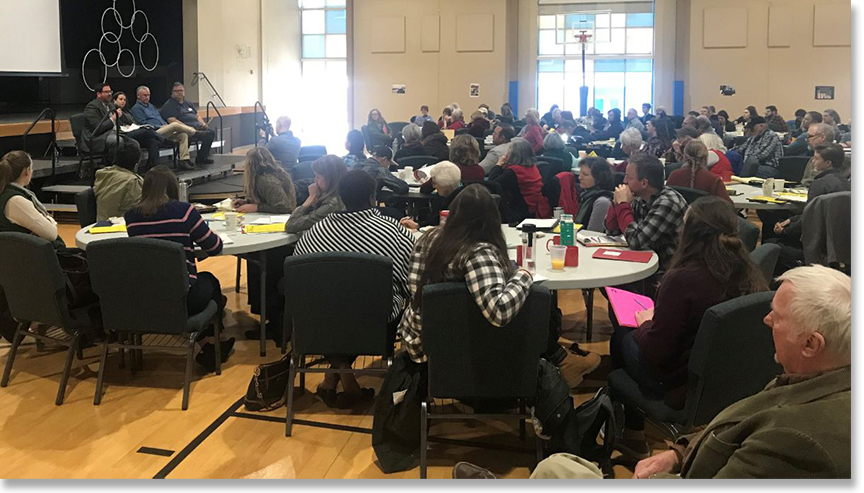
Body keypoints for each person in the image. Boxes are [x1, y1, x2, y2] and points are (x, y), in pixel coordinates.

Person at [518, 264, 851, 480]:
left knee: (553, 468)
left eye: (777, 317)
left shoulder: (796, 442)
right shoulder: (814, 379)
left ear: (810, 344)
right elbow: (736, 430)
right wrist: (678, 453)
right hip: (686, 456)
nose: (765, 321)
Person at [398, 184, 600, 388]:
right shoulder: (478, 252)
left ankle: (560, 358)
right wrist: (524, 275)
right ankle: (560, 361)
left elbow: (415, 289)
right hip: (468, 349)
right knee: (533, 301)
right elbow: (498, 312)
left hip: (424, 338)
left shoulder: (427, 239)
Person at [612, 196, 767, 458]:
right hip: (726, 378)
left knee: (620, 337)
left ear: (690, 232)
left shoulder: (684, 278)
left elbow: (657, 351)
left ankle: (632, 433)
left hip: (679, 383)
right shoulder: (748, 269)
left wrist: (645, 323)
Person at [293, 170, 415, 408]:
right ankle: (345, 379)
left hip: (318, 322)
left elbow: (300, 282)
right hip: (375, 322)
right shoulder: (395, 232)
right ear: (372, 197)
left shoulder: (315, 232)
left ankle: (335, 375)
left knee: (337, 301)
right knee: (366, 300)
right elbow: (409, 279)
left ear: (340, 196)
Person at [125, 166, 232, 371]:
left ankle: (207, 341)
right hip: (183, 296)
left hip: (147, 295)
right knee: (210, 281)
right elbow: (214, 246)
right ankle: (213, 343)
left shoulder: (131, 217)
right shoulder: (184, 212)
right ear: (173, 187)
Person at [767, 144, 851, 275]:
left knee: (770, 244)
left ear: (828, 163)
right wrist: (791, 220)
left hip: (817, 245)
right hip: (839, 244)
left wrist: (785, 231)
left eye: (816, 158)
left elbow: (809, 220)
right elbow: (813, 213)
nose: (812, 161)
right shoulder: (845, 183)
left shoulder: (819, 184)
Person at [605, 153, 687, 275]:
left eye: (629, 177)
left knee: (616, 280)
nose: (624, 181)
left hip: (668, 272)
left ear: (644, 183)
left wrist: (623, 205)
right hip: (643, 263)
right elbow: (612, 230)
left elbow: (636, 241)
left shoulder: (667, 203)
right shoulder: (640, 199)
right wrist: (616, 203)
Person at [0, 151, 63, 249]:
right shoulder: (16, 200)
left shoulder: (5, 192)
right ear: (27, 171)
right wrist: (49, 219)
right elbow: (51, 234)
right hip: (27, 257)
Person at [129, 85, 197, 170]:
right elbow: (143, 123)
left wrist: (165, 125)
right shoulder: (136, 109)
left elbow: (160, 119)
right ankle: (193, 131)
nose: (147, 97)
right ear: (138, 96)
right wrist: (161, 126)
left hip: (163, 130)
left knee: (183, 135)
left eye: (148, 95)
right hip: (153, 132)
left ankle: (184, 160)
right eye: (144, 95)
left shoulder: (151, 106)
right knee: (174, 125)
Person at [488, 138, 552, 221]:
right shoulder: (533, 167)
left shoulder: (513, 172)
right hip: (536, 208)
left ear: (513, 154)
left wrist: (498, 165)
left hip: (520, 211)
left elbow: (493, 185)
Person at [284, 155, 347, 234]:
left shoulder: (331, 204)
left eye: (318, 177)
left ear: (329, 178)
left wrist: (310, 198)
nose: (315, 180)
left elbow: (291, 225)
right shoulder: (343, 194)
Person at [159, 82, 215, 166]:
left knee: (210, 132)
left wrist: (203, 124)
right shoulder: (169, 105)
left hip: (197, 127)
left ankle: (202, 157)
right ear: (172, 93)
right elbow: (172, 120)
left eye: (181, 90)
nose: (179, 92)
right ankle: (184, 160)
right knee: (205, 134)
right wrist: (187, 127)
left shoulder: (188, 103)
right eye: (176, 91)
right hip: (184, 129)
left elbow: (197, 116)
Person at [111, 91, 166, 173]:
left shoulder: (127, 111)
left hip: (133, 131)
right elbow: (115, 125)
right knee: (147, 131)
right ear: (114, 101)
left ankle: (152, 168)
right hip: (123, 134)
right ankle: (164, 140)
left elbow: (133, 122)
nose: (123, 101)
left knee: (153, 142)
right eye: (120, 99)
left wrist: (133, 125)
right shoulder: (113, 112)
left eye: (124, 100)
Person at [400, 161, 463, 230]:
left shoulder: (459, 202)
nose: (433, 186)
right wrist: (417, 225)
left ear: (444, 184)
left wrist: (418, 225)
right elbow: (433, 221)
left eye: (435, 183)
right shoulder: (441, 197)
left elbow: (438, 224)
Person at [232, 147, 297, 214]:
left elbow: (284, 207)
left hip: (279, 219)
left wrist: (256, 207)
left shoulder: (267, 181)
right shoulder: (276, 174)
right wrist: (247, 202)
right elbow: (268, 201)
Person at [93, 137, 144, 221]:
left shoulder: (102, 175)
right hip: (120, 227)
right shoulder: (133, 181)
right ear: (136, 165)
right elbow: (140, 209)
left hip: (100, 224)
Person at [666, 141, 732, 202]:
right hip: (705, 214)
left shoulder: (674, 176)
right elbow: (728, 206)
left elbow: (666, 199)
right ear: (706, 158)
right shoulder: (713, 180)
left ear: (685, 157)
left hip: (680, 214)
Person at [575, 157, 614, 232]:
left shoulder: (602, 202)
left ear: (599, 179)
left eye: (585, 175)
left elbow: (593, 234)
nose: (580, 177)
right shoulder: (586, 196)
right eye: (580, 173)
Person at [82, 84, 119, 160]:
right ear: (99, 94)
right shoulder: (92, 107)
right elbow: (98, 128)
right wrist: (112, 119)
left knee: (133, 142)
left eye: (110, 91)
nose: (109, 94)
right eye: (106, 92)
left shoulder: (111, 105)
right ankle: (112, 167)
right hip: (97, 138)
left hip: (113, 133)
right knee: (117, 141)